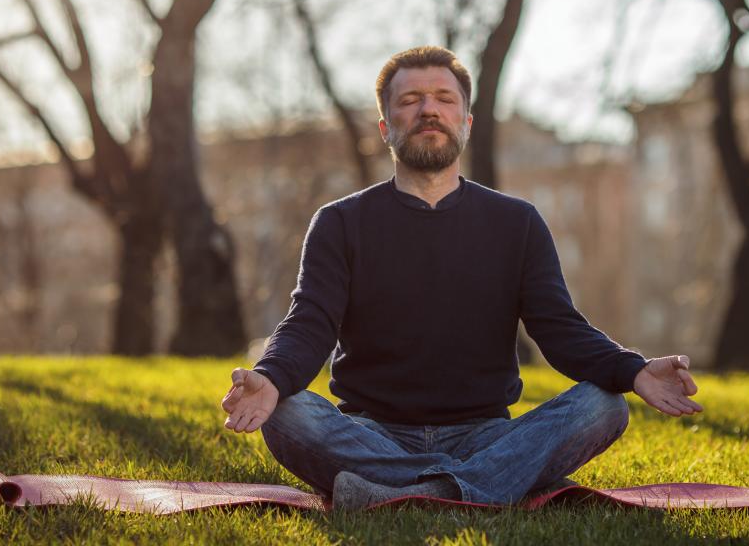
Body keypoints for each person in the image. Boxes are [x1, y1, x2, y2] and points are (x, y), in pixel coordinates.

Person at [220, 46, 702, 510]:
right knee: (286, 410)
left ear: (466, 124)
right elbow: (309, 323)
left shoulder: (518, 223)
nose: (429, 110)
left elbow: (560, 328)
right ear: (386, 128)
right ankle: (486, 483)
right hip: (373, 433)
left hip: (486, 433)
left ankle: (409, 491)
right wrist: (270, 376)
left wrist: (632, 369)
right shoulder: (340, 222)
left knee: (605, 405)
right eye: (411, 101)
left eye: (444, 99)